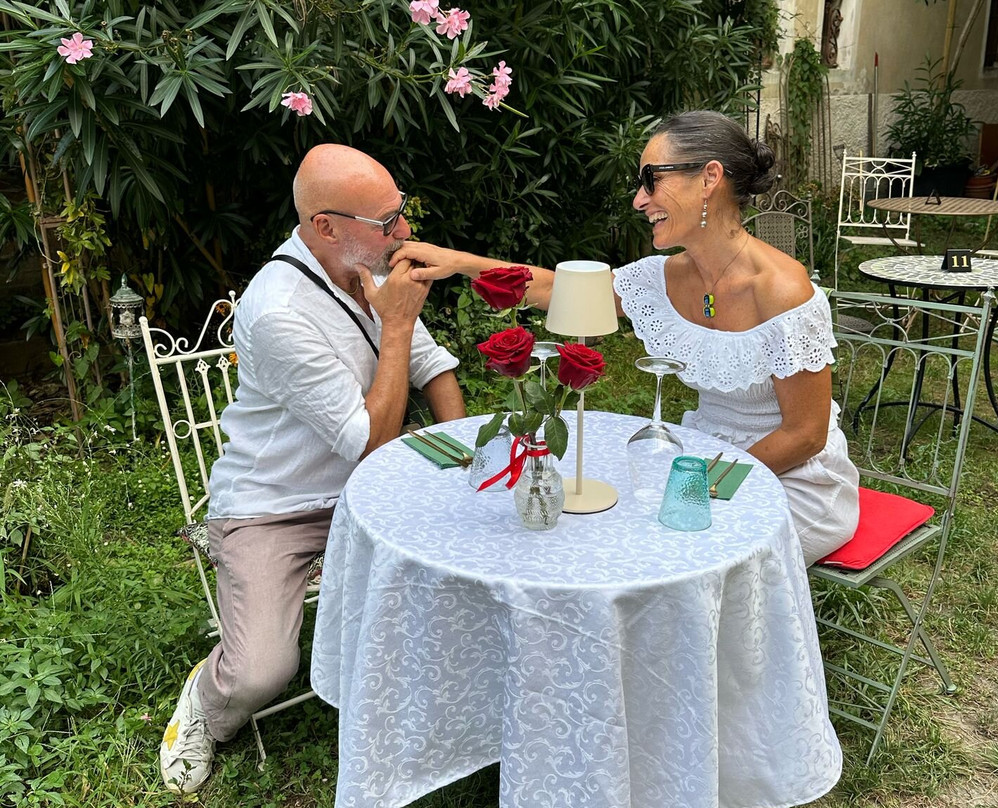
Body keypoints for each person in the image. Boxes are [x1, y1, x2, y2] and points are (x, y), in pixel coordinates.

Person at [393, 110, 859, 566]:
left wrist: (696, 485)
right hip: (697, 455)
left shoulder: (781, 290)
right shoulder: (662, 278)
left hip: (791, 479)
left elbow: (805, 434)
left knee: (679, 555)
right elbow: (558, 288)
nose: (639, 200)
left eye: (652, 180)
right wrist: (458, 262)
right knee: (614, 537)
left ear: (709, 178)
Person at [159, 144, 466, 794]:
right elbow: (369, 440)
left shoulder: (366, 265)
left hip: (369, 485)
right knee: (262, 672)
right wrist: (396, 327)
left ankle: (448, 694)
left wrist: (462, 452)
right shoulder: (279, 310)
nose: (405, 230)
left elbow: (431, 365)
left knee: (481, 543)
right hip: (274, 507)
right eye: (387, 222)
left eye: (401, 211)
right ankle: (207, 701)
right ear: (325, 226)